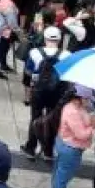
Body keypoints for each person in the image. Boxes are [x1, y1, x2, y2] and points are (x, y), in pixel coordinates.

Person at [21, 27, 68, 160]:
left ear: (45, 38)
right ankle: (48, 151)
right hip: (57, 92)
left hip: (38, 91)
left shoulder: (34, 52)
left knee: (35, 118)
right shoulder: (66, 54)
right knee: (52, 120)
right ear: (59, 40)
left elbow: (28, 72)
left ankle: (30, 148)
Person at [49, 85, 95, 188]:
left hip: (65, 144)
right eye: (87, 99)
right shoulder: (72, 111)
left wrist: (90, 120)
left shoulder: (76, 107)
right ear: (80, 98)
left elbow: (84, 119)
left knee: (59, 175)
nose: (89, 102)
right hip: (70, 149)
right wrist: (93, 126)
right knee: (63, 177)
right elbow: (81, 135)